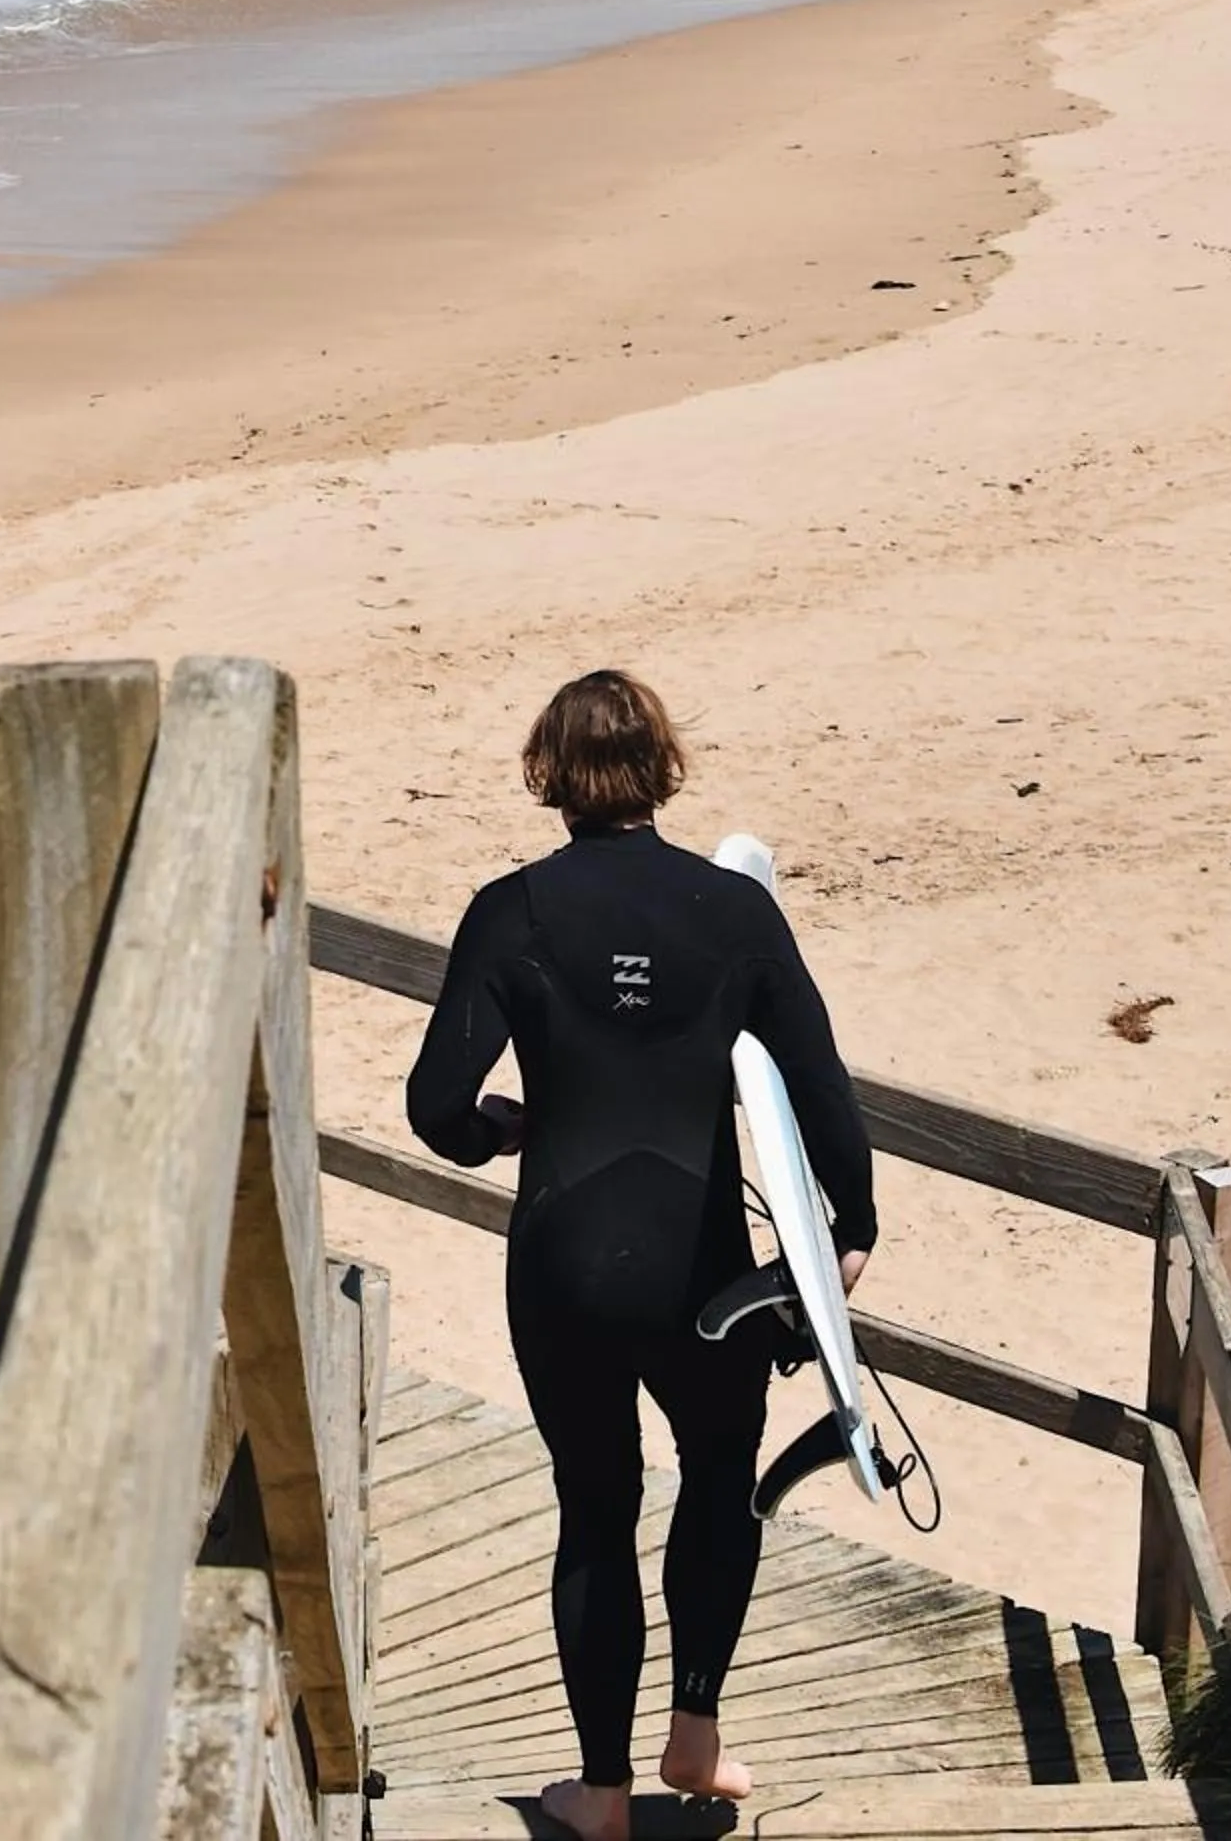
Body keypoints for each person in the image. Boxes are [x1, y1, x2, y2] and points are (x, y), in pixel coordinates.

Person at [406, 671, 877, 1836]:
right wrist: (850, 1230)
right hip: (706, 1266)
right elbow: (819, 1085)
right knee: (720, 1480)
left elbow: (435, 1106)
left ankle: (602, 1791)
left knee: (594, 1505)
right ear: (664, 767)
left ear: (549, 773)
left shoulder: (508, 911)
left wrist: (498, 1128)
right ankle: (698, 1735)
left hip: (563, 1258)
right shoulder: (733, 912)